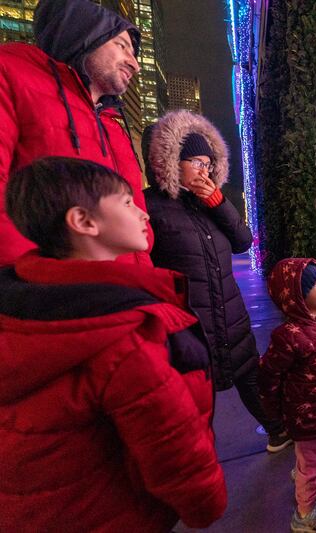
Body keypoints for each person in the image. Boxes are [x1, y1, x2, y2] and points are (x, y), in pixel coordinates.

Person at [0, 157, 227, 531]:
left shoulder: (23, 303)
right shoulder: (124, 334)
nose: (142, 214)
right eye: (126, 202)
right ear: (84, 222)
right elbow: (172, 448)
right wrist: (206, 504)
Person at [144, 110, 291, 452]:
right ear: (170, 162)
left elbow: (243, 240)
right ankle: (200, 461)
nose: (203, 170)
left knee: (251, 377)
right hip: (191, 326)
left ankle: (277, 431)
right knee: (197, 397)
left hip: (231, 316)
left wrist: (217, 202)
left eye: (207, 163)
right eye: (194, 161)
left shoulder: (211, 203)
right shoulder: (151, 206)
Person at [0, 0, 151, 266]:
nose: (135, 65)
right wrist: (32, 281)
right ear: (84, 35)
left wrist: (142, 280)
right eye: (122, 46)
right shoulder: (11, 73)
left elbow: (134, 219)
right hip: (52, 292)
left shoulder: (112, 123)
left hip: (121, 287)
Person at [259, 258, 316, 533]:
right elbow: (269, 374)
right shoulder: (289, 336)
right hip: (305, 415)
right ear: (297, 298)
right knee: (311, 463)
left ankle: (304, 473)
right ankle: (305, 514)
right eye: (314, 283)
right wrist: (274, 409)